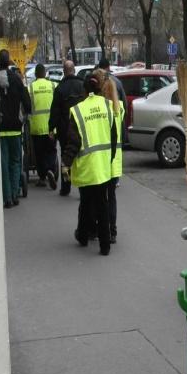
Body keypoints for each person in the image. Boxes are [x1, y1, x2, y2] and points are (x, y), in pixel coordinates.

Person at [61, 74, 117, 256]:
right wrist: (110, 157)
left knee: (85, 203)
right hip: (103, 165)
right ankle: (105, 245)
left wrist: (65, 163)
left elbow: (73, 142)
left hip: (86, 166)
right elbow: (114, 136)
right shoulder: (108, 106)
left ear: (84, 91)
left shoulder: (78, 111)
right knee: (103, 204)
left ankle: (83, 236)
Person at [93, 69, 124, 244]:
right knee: (111, 196)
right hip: (116, 160)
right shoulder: (119, 107)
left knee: (101, 197)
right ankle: (113, 230)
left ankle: (102, 228)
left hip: (103, 157)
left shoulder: (102, 108)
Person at [0, 49, 31, 209]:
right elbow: (27, 103)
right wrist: (24, 117)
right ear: (9, 61)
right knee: (15, 161)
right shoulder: (17, 80)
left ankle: (6, 198)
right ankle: (14, 193)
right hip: (15, 129)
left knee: (3, 164)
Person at [49, 60, 85, 196]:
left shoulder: (59, 89)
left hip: (65, 129)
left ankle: (66, 187)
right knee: (81, 158)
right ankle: (82, 188)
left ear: (64, 71)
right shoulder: (82, 86)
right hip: (81, 128)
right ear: (74, 70)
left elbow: (55, 111)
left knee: (65, 158)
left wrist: (51, 128)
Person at [28, 64, 58, 189]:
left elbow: (26, 106)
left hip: (36, 127)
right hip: (51, 127)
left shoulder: (30, 87)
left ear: (35, 74)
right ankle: (51, 169)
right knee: (51, 150)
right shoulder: (53, 86)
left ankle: (42, 177)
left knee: (39, 153)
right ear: (45, 74)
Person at [98, 58, 128, 144]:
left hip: (101, 125)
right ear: (108, 67)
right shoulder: (116, 82)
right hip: (115, 122)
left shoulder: (96, 82)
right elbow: (124, 104)